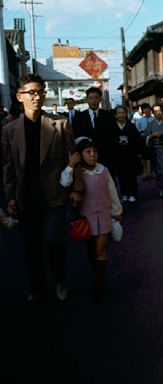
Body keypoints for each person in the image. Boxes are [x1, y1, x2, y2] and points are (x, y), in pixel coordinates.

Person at [2, 74, 83, 302]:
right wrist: (10, 197)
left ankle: (60, 279)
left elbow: (73, 157)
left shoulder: (60, 123)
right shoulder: (9, 130)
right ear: (20, 96)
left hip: (54, 195)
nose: (36, 97)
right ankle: (37, 288)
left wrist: (76, 188)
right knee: (31, 246)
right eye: (31, 92)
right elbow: (8, 167)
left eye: (40, 92)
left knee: (55, 241)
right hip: (26, 196)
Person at [60, 137, 122, 300]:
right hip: (86, 218)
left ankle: (99, 286)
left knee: (100, 250)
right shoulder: (77, 172)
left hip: (104, 215)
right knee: (91, 252)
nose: (93, 155)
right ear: (80, 155)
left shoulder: (104, 171)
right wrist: (71, 165)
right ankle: (98, 275)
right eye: (88, 152)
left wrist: (117, 211)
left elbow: (112, 192)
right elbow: (64, 183)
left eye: (95, 151)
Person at [73, 87, 115, 172]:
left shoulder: (108, 115)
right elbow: (76, 135)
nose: (93, 101)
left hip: (106, 156)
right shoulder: (79, 116)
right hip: (87, 157)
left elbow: (112, 135)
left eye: (96, 98)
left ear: (100, 99)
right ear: (87, 100)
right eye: (91, 98)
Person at [112, 106, 142, 202]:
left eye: (123, 112)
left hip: (130, 155)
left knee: (131, 175)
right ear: (116, 115)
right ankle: (124, 193)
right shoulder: (113, 127)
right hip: (118, 155)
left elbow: (137, 140)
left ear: (126, 114)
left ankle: (132, 193)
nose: (121, 115)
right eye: (119, 113)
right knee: (121, 175)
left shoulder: (131, 126)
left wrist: (138, 152)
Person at [144, 104, 163, 198]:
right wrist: (152, 136)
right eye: (155, 111)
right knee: (158, 171)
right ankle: (161, 189)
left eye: (159, 111)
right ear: (153, 113)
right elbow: (146, 136)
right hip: (155, 150)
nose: (158, 113)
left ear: (162, 112)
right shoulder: (150, 125)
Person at [135, 103, 154, 179]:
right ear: (142, 110)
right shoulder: (139, 120)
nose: (146, 110)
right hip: (143, 139)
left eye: (147, 108)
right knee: (144, 157)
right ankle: (145, 172)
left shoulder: (154, 119)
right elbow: (137, 130)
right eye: (144, 109)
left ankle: (152, 172)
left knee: (152, 156)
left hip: (152, 138)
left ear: (150, 109)